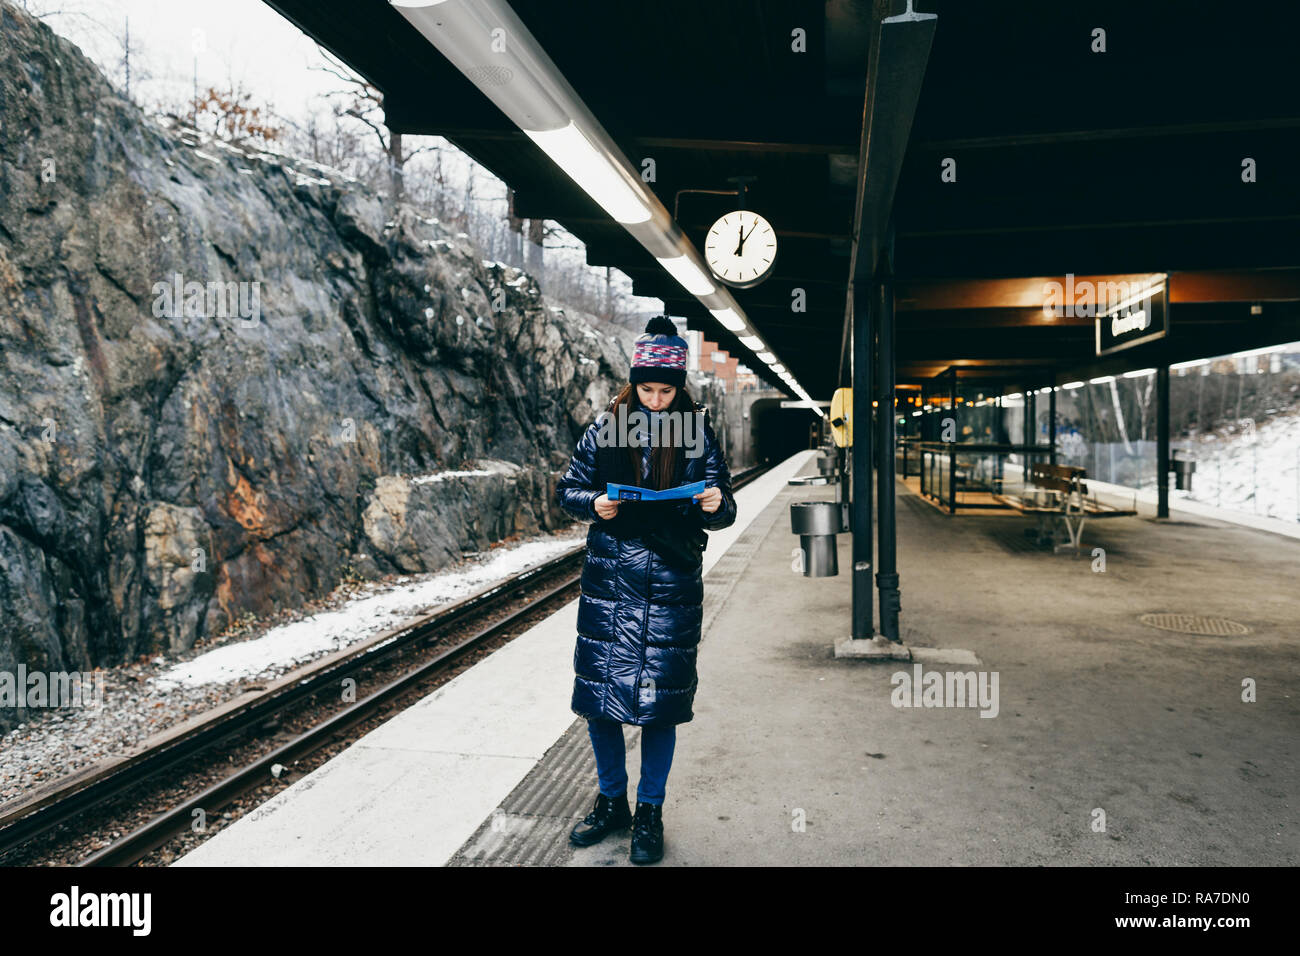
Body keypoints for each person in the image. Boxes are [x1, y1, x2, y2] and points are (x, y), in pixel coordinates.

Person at [554, 315, 737, 864]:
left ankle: (650, 811)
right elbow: (568, 489)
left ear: (680, 388)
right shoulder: (604, 427)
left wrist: (714, 504)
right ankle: (613, 802)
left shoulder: (698, 432)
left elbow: (725, 505)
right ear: (632, 384)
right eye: (647, 389)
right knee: (602, 703)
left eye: (666, 390)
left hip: (672, 583)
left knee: (661, 708)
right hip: (610, 583)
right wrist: (595, 505)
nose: (656, 401)